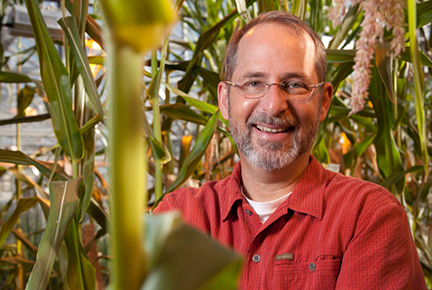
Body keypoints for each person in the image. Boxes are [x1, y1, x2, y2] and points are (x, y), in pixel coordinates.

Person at [154, 11, 426, 289]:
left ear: (323, 101)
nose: (273, 105)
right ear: (225, 100)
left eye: (294, 85)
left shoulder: (368, 217)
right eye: (254, 83)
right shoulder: (178, 218)